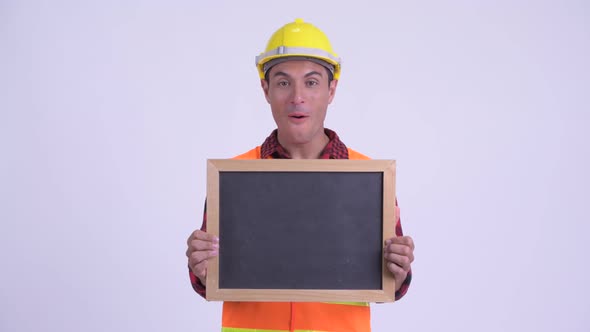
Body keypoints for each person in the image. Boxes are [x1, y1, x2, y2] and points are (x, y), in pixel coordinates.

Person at [186, 18, 415, 332]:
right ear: (266, 89)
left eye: (311, 82)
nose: (297, 96)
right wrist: (200, 266)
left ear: (331, 89)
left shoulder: (368, 178)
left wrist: (399, 271)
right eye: (283, 82)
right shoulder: (233, 178)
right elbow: (208, 280)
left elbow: (392, 284)